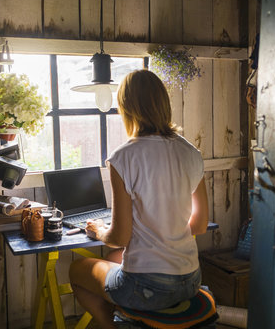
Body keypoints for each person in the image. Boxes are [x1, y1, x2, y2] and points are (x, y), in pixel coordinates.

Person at [69, 69, 209, 329]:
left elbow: (120, 237)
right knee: (113, 258)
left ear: (126, 108)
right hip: (190, 280)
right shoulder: (191, 152)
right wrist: (168, 234)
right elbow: (199, 225)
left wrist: (99, 231)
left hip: (147, 287)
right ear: (163, 104)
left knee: (78, 269)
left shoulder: (123, 157)